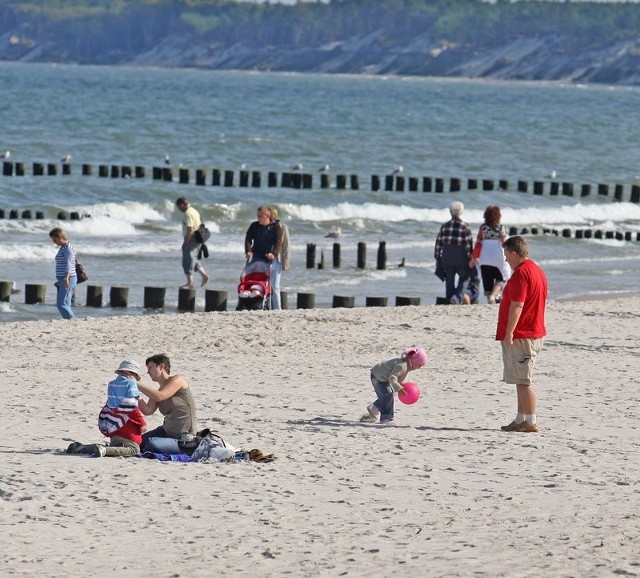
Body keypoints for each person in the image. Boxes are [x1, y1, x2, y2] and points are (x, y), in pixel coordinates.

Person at [496, 236, 548, 433]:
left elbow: (517, 305)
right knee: (519, 379)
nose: (506, 259)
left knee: (524, 380)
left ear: (514, 253)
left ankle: (531, 420)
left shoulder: (521, 273)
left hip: (523, 333)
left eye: (507, 255)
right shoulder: (536, 269)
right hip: (531, 332)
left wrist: (509, 332)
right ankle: (520, 419)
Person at [65, 360, 148, 457]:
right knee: (133, 449)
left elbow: (111, 405)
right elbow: (131, 407)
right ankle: (104, 450)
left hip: (114, 427)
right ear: (131, 373)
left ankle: (83, 448)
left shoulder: (112, 384)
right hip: (128, 431)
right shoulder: (131, 383)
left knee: (115, 447)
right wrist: (142, 423)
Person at [137, 354, 198, 454]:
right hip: (165, 431)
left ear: (161, 366)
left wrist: (135, 383)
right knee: (138, 441)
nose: (148, 372)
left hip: (183, 436)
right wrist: (135, 393)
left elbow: (160, 396)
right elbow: (148, 410)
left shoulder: (177, 380)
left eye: (150, 368)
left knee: (151, 445)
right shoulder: (159, 390)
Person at [360, 347, 428, 425]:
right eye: (420, 365)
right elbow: (392, 378)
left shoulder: (406, 366)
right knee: (388, 394)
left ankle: (374, 407)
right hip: (377, 377)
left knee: (387, 395)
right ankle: (386, 419)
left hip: (381, 377)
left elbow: (398, 377)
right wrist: (399, 388)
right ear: (415, 361)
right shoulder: (402, 366)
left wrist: (402, 385)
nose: (420, 367)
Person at [434, 201, 474, 304]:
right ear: (461, 212)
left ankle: (449, 301)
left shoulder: (444, 226)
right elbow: (468, 245)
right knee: (465, 277)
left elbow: (438, 243)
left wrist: (437, 258)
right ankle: (456, 298)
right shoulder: (465, 226)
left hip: (447, 255)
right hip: (461, 256)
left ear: (450, 212)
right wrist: (470, 258)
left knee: (449, 280)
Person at [244, 206, 283, 309]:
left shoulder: (276, 227)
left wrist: (273, 254)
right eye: (258, 216)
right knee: (256, 282)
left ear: (268, 216)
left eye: (261, 216)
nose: (258, 218)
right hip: (257, 257)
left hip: (272, 260)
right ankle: (259, 306)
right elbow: (248, 239)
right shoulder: (254, 226)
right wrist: (248, 251)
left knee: (274, 285)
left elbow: (278, 243)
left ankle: (277, 309)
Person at [470, 205, 511, 303]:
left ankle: (490, 298)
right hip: (497, 256)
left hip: (485, 257)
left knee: (487, 279)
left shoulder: (483, 228)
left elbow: (478, 242)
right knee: (502, 278)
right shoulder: (500, 228)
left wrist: (474, 257)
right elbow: (504, 241)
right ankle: (493, 296)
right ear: (498, 216)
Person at [175, 197, 209, 289]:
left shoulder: (188, 214)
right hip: (197, 238)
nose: (178, 209)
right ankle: (204, 275)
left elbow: (190, 229)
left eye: (178, 207)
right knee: (193, 258)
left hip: (192, 238)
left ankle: (190, 283)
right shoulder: (194, 210)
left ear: (182, 204)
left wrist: (186, 242)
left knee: (187, 260)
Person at [49, 227, 77, 319]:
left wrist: (66, 279)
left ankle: (72, 320)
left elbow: (69, 265)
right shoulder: (64, 247)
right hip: (65, 278)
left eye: (54, 239)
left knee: (61, 304)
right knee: (66, 303)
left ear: (60, 237)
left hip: (68, 278)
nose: (53, 241)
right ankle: (69, 320)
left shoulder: (67, 248)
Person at [269, 207, 290, 310]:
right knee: (267, 285)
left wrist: (286, 263)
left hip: (278, 260)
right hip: (267, 260)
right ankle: (268, 307)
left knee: (275, 285)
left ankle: (277, 308)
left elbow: (286, 246)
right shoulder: (265, 227)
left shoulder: (282, 227)